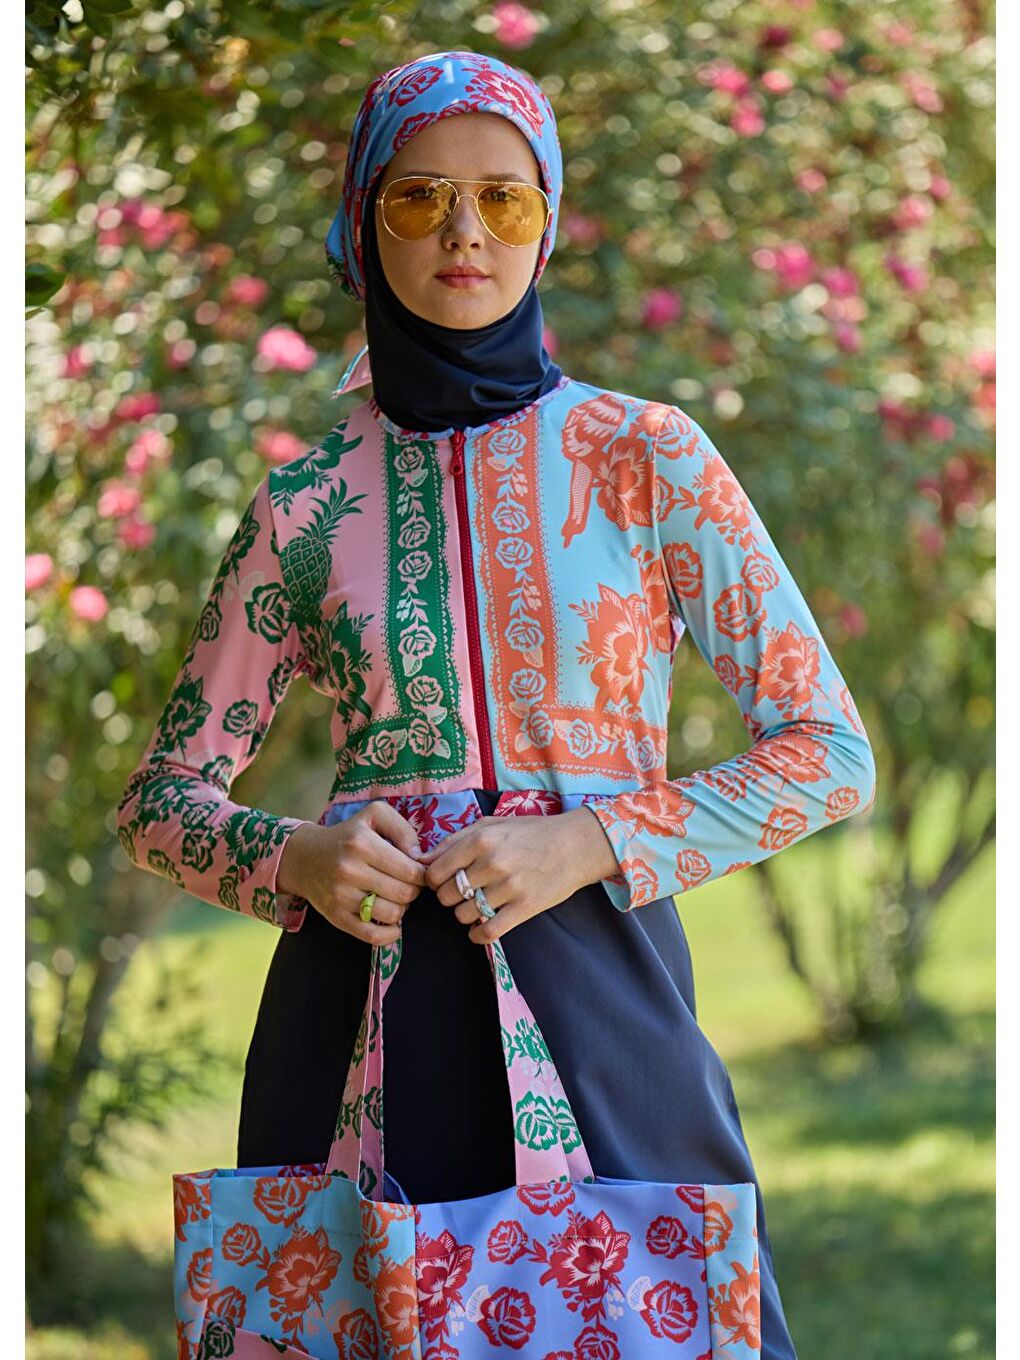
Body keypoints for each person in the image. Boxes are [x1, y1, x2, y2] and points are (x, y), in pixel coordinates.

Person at [117, 49, 876, 1360]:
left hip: (604, 997)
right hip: (359, 1016)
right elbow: (159, 804)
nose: (464, 233)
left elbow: (830, 752)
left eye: (503, 199)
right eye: (419, 198)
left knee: (669, 1321)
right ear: (364, 227)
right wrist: (296, 857)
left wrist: (590, 840)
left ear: (547, 222)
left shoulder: (647, 458)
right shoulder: (305, 505)